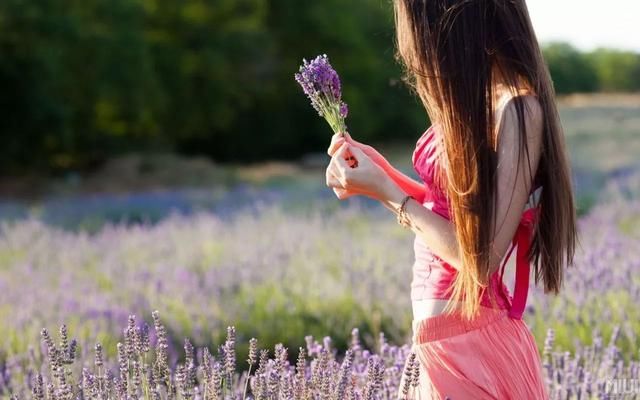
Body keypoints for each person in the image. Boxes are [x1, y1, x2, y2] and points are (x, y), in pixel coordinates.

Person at [325, 1, 578, 398]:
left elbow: (480, 259)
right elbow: (445, 211)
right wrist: (378, 177)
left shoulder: (517, 107)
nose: (415, 47)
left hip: (471, 349)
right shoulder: (471, 100)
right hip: (435, 346)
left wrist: (387, 191)